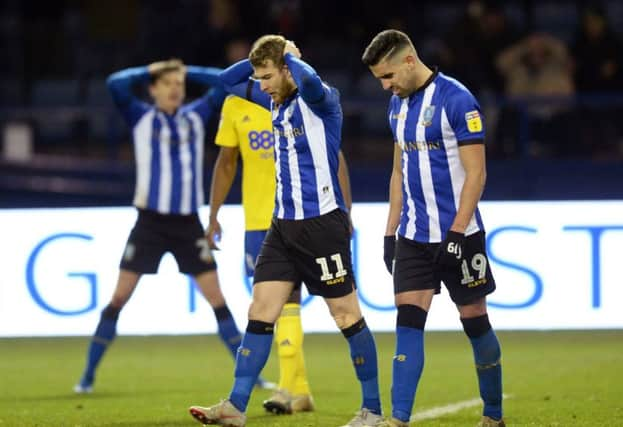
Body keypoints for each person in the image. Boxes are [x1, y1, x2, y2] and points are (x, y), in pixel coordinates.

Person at [189, 35, 382, 427]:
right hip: (281, 227)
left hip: (322, 225)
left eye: (266, 77)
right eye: (257, 78)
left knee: (346, 316)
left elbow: (308, 82)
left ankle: (373, 409)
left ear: (287, 70)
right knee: (261, 312)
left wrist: (291, 59)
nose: (259, 85)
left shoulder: (322, 100)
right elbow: (227, 80)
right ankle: (236, 405)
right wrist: (264, 58)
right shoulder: (270, 100)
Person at [73, 59, 273, 393]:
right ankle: (88, 376)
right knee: (119, 297)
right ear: (153, 90)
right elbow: (114, 83)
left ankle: (252, 375)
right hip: (149, 223)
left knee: (218, 299)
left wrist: (187, 70)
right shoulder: (140, 116)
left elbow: (223, 82)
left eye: (179, 84)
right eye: (167, 84)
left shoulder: (195, 116)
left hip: (187, 224)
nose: (174, 89)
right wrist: (155, 68)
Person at [361, 30, 505, 427]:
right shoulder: (396, 106)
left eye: (387, 76)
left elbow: (477, 174)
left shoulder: (457, 100)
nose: (385, 86)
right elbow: (397, 172)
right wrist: (390, 233)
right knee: (407, 321)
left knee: (475, 321)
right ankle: (399, 419)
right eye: (379, 80)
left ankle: (493, 415)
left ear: (409, 60)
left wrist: (458, 232)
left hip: (460, 234)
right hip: (413, 235)